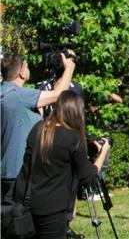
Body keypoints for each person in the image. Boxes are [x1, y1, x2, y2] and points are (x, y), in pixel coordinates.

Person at [15, 90, 110, 239]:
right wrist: (104, 152)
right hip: (53, 209)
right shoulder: (73, 137)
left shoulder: (38, 129)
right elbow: (88, 176)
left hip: (26, 204)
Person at [1, 52, 76, 197]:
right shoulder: (19, 95)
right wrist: (70, 67)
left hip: (6, 171)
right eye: (27, 66)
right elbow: (59, 94)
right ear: (22, 72)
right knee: (21, 217)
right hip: (19, 174)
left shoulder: (6, 93)